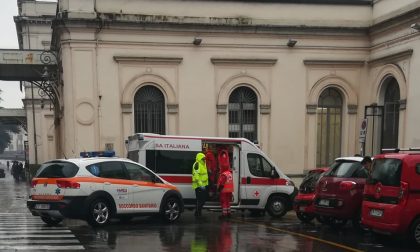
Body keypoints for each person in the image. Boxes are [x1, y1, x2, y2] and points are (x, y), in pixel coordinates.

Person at [217, 149, 234, 219]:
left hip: (224, 190)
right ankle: (229, 213)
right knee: (228, 202)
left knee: (224, 202)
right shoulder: (229, 173)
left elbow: (222, 183)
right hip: (229, 190)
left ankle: (224, 214)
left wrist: (219, 189)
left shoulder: (223, 174)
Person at [192, 152, 209, 217]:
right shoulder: (197, 164)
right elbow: (196, 176)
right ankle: (197, 213)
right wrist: (201, 185)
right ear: (200, 158)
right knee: (200, 200)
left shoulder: (203, 164)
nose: (204, 159)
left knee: (203, 200)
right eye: (203, 158)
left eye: (205, 158)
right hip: (199, 186)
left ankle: (198, 212)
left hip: (204, 185)